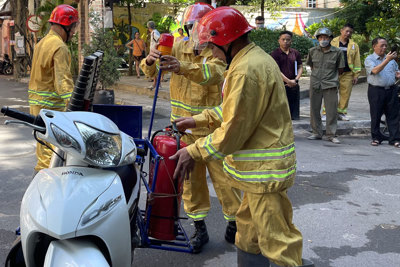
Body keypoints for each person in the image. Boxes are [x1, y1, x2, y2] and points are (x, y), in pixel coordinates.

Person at [169, 7, 307, 266]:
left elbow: (233, 129)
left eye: (212, 46)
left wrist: (193, 151)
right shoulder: (251, 59)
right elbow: (235, 108)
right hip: (258, 176)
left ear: (225, 40)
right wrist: (198, 119)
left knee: (277, 242)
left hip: (264, 174)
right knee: (248, 235)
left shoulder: (245, 70)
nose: (210, 52)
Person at [140, 3, 241, 253]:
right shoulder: (176, 45)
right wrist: (150, 60)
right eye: (192, 28)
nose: (197, 35)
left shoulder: (215, 53)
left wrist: (181, 67)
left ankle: (235, 223)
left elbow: (213, 75)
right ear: (187, 28)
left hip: (211, 130)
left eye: (202, 30)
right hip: (183, 133)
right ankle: (200, 228)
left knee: (226, 181)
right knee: (191, 184)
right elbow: (148, 70)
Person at [28, 4, 78, 174]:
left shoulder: (42, 43)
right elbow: (63, 83)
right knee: (51, 159)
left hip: (38, 107)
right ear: (67, 25)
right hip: (52, 110)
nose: (73, 33)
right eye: (74, 28)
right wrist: (75, 106)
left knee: (43, 153)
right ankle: (44, 191)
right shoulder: (59, 47)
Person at [306, 27, 345, 144]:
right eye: (321, 37)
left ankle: (331, 134)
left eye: (326, 37)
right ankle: (316, 133)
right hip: (315, 83)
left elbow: (341, 69)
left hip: (330, 84)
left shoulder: (337, 52)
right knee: (314, 109)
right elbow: (311, 66)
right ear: (318, 39)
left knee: (331, 110)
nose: (323, 40)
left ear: (330, 39)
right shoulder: (312, 51)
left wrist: (331, 78)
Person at [364, 37, 400, 147]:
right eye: (381, 45)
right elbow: (374, 71)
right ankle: (376, 138)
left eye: (385, 45)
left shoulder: (392, 60)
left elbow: (396, 72)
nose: (384, 48)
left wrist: (398, 75)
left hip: (391, 89)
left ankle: (394, 139)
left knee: (393, 115)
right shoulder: (369, 59)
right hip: (376, 91)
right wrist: (387, 60)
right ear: (374, 46)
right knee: (376, 114)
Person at [331, 23, 361, 121]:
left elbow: (357, 60)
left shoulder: (354, 45)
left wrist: (356, 75)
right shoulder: (332, 42)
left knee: (345, 94)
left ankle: (341, 113)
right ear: (341, 30)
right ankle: (327, 113)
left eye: (350, 32)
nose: (348, 33)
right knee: (330, 93)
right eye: (346, 31)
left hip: (348, 73)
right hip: (333, 73)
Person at [271, 31, 303, 120]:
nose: (285, 42)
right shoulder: (275, 54)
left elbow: (300, 66)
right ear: (279, 41)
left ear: (291, 41)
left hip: (294, 83)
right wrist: (288, 81)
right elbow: (276, 70)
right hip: (281, 84)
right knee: (282, 107)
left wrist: (296, 80)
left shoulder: (295, 53)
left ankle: (295, 117)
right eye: (283, 39)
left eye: (288, 40)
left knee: (294, 106)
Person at [147, 21, 160, 89]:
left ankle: (155, 84)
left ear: (149, 27)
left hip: (154, 53)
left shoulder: (154, 33)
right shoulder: (155, 32)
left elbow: (159, 40)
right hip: (154, 52)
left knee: (154, 68)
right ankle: (157, 84)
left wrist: (155, 47)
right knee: (156, 68)